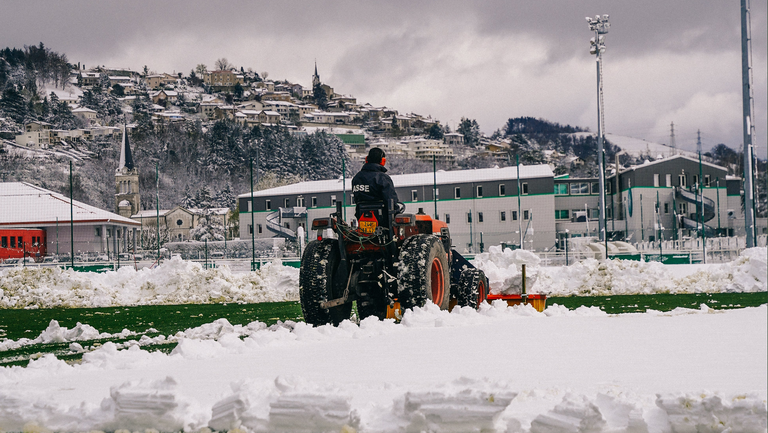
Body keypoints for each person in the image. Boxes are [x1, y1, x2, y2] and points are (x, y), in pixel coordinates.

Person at [352, 147, 399, 225]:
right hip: (382, 221)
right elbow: (390, 199)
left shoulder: (357, 178)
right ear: (383, 161)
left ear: (366, 159)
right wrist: (397, 212)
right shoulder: (382, 178)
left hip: (362, 218)